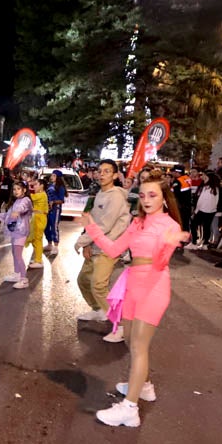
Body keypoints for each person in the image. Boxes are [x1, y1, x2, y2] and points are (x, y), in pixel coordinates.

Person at [81, 170, 190, 428]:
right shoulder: (138, 223)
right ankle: (144, 386)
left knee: (139, 347)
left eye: (153, 195)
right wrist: (91, 228)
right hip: (132, 283)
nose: (147, 199)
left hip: (154, 286)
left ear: (165, 198)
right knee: (129, 339)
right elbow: (114, 249)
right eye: (142, 195)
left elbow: (161, 263)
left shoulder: (170, 226)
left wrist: (168, 243)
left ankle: (130, 409)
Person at [75, 159, 129, 329]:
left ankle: (117, 325)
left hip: (109, 247)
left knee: (98, 285)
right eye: (100, 171)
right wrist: (87, 244)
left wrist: (81, 241)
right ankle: (99, 309)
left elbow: (105, 225)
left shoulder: (116, 196)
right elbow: (94, 221)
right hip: (96, 244)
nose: (102, 174)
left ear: (115, 175)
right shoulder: (100, 193)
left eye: (107, 171)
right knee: (83, 280)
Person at [0, 179, 34, 289]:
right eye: (14, 189)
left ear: (24, 190)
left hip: (21, 232)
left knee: (17, 254)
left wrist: (18, 212)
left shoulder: (26, 200)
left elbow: (24, 208)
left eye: (18, 189)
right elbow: (7, 215)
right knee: (14, 253)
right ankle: (17, 274)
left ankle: (24, 279)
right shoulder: (16, 201)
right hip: (14, 231)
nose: (16, 191)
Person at [26, 175, 49, 269]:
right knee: (35, 240)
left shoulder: (41, 195)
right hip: (37, 218)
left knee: (37, 240)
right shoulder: (41, 194)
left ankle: (39, 261)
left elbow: (30, 197)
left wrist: (26, 186)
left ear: (42, 186)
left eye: (36, 185)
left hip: (39, 219)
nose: (34, 186)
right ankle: (37, 258)